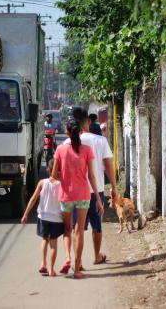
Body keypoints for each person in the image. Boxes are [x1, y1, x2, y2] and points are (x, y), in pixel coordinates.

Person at [51, 119, 104, 279]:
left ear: (67, 133)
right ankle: (77, 269)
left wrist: (65, 177)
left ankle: (68, 258)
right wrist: (99, 199)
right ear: (81, 132)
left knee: (68, 230)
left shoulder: (60, 150)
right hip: (83, 195)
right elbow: (92, 176)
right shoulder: (87, 150)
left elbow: (54, 175)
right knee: (79, 231)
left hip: (66, 196)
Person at [70, 107, 117, 265]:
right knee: (96, 225)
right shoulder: (100, 140)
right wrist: (115, 187)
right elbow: (109, 166)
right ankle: (96, 255)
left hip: (76, 193)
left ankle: (78, 261)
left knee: (78, 227)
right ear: (88, 122)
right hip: (96, 192)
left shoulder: (68, 142)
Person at [21, 159, 64, 277]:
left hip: (43, 217)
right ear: (60, 171)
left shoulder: (42, 182)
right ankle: (51, 270)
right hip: (57, 218)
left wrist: (25, 214)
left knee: (45, 239)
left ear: (48, 170)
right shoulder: (62, 184)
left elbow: (33, 199)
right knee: (54, 244)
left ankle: (43, 264)